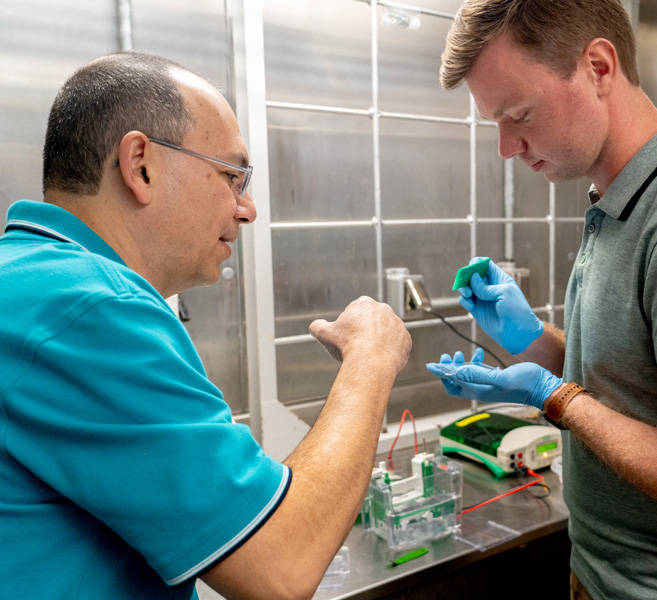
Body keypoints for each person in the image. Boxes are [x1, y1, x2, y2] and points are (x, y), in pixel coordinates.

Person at [0, 52, 411, 600]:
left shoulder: (27, 280)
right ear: (140, 164)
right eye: (232, 176)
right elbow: (280, 566)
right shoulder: (88, 308)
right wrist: (371, 358)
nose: (248, 209)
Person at [428, 1, 657, 599]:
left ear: (599, 67)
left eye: (518, 113)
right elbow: (641, 387)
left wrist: (556, 399)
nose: (505, 146)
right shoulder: (622, 200)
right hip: (608, 578)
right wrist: (535, 345)